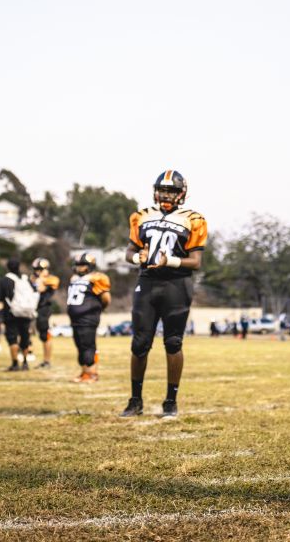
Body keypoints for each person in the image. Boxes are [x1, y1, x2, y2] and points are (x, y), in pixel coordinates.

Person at [118, 170, 208, 419]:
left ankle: (171, 401)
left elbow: (196, 261)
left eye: (171, 191)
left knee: (173, 342)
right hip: (147, 282)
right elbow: (129, 252)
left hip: (176, 284)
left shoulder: (194, 219)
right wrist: (138, 257)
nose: (166, 195)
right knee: (139, 344)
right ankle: (135, 401)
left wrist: (171, 261)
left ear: (181, 194)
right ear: (155, 191)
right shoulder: (141, 216)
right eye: (163, 190)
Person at [65, 253, 111, 383]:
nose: (79, 268)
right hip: (76, 319)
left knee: (88, 346)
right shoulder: (75, 279)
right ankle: (85, 372)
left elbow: (106, 298)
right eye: (78, 265)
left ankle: (92, 374)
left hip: (88, 317)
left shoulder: (97, 278)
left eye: (82, 265)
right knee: (80, 346)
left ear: (90, 266)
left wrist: (99, 308)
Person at [0, 258, 37, 371]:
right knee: (25, 337)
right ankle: (25, 362)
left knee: (12, 338)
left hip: (11, 313)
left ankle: (15, 363)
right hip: (26, 312)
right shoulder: (25, 279)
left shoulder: (4, 280)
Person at [30, 257, 60, 369]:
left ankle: (47, 361)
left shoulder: (50, 279)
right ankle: (28, 354)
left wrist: (40, 278)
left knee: (45, 335)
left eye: (40, 269)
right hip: (33, 308)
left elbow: (41, 288)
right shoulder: (33, 279)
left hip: (44, 309)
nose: (37, 272)